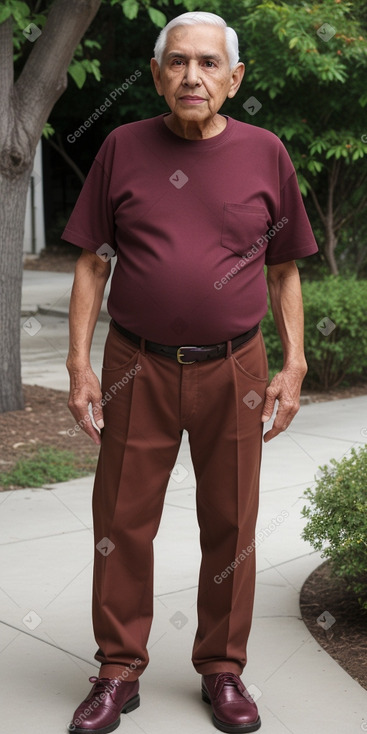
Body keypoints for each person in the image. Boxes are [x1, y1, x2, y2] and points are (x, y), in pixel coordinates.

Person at [63, 11, 318, 734]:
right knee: (120, 519)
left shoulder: (266, 153)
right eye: (176, 62)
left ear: (234, 79)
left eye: (208, 64)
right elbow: (90, 260)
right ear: (155, 74)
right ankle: (117, 669)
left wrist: (293, 361)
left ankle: (223, 668)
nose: (191, 76)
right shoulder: (120, 146)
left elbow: (284, 269)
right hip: (134, 364)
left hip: (235, 363)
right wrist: (80, 366)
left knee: (230, 520)